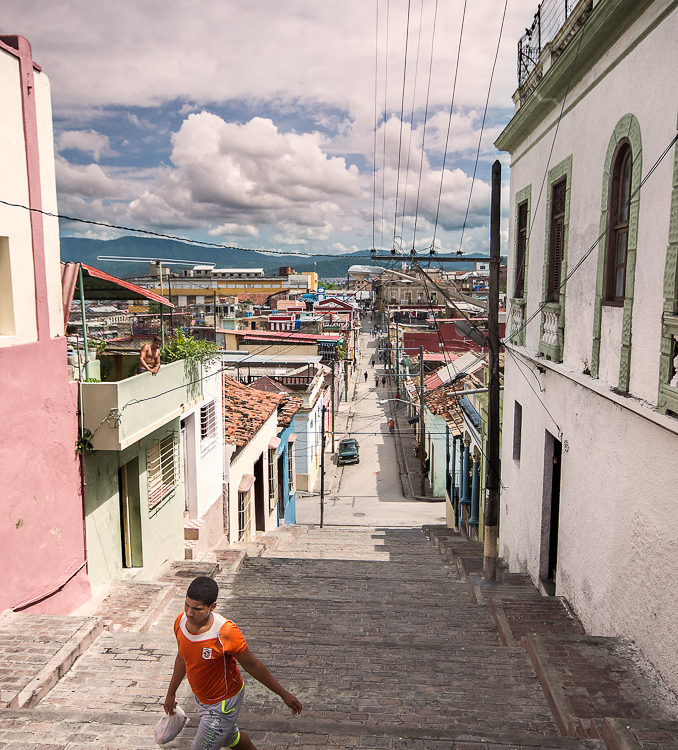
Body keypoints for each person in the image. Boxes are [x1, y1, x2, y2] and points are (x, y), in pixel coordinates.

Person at [164, 576, 302, 750]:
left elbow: (252, 665)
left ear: (212, 606)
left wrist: (283, 694)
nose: (189, 613)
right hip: (202, 699)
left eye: (197, 609)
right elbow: (182, 657)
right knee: (232, 739)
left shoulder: (225, 632)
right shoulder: (180, 623)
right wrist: (171, 694)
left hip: (222, 704)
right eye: (187, 605)